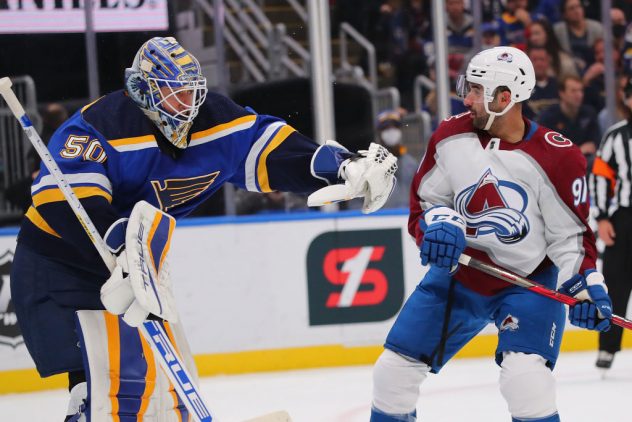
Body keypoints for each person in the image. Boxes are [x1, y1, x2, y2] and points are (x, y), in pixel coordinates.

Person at [9, 36, 398, 422]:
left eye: (191, 93)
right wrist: (120, 247)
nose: (188, 107)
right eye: (173, 95)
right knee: (101, 390)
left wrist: (343, 165)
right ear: (142, 89)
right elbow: (69, 204)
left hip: (139, 264)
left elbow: (271, 147)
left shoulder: (214, 118)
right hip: (60, 265)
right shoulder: (99, 126)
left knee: (162, 390)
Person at [370, 46, 612, 422]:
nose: (466, 98)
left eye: (476, 90)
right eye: (467, 86)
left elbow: (571, 238)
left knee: (526, 382)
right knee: (392, 373)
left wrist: (583, 286)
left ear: (505, 97)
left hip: (528, 281)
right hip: (459, 276)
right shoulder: (450, 135)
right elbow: (425, 202)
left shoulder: (557, 157)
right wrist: (439, 225)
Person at [589, 75, 632, 372]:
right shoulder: (617, 136)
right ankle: (608, 346)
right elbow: (601, 176)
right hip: (626, 217)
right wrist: (603, 216)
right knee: (615, 283)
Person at [538, 74, 600, 162]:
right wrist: (579, 151)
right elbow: (548, 151)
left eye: (581, 90)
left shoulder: (589, 113)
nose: (579, 95)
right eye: (573, 91)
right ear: (562, 93)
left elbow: (594, 144)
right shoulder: (548, 117)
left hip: (586, 164)